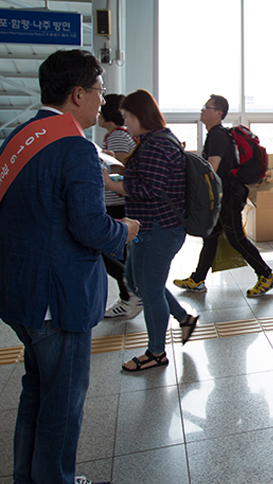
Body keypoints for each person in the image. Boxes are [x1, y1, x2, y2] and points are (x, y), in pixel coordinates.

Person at [0, 49, 138, 484]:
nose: (103, 101)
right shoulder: (74, 148)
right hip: (55, 299)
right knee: (63, 402)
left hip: (15, 290)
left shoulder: (19, 137)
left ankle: (28, 477)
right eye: (100, 91)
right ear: (78, 93)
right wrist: (124, 231)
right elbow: (89, 227)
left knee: (37, 392)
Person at [104, 89, 199, 371]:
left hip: (162, 228)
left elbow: (149, 188)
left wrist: (111, 185)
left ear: (138, 115)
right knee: (135, 282)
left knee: (151, 290)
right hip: (147, 227)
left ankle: (156, 352)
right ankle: (183, 318)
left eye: (127, 116)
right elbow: (143, 178)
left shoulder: (158, 144)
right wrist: (117, 172)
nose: (125, 122)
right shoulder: (149, 141)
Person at [172, 94, 273, 297]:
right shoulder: (218, 135)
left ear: (218, 113)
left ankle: (266, 275)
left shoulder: (217, 136)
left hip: (228, 197)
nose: (202, 110)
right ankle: (197, 279)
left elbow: (211, 171)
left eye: (207, 107)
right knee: (210, 238)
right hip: (225, 196)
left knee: (236, 239)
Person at [98, 93, 143, 319]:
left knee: (108, 251)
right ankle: (130, 294)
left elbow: (123, 170)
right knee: (117, 252)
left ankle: (131, 294)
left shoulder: (116, 137)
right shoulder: (120, 135)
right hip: (119, 202)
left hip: (116, 202)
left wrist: (105, 170)